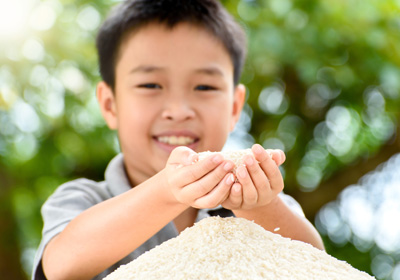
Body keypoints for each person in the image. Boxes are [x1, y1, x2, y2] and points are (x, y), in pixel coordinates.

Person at [32, 0, 324, 279]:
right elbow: (61, 265)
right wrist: (166, 191)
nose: (179, 111)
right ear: (110, 105)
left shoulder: (263, 203)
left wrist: (259, 205)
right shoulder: (84, 199)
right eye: (150, 84)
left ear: (235, 107)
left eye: (204, 86)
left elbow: (317, 266)